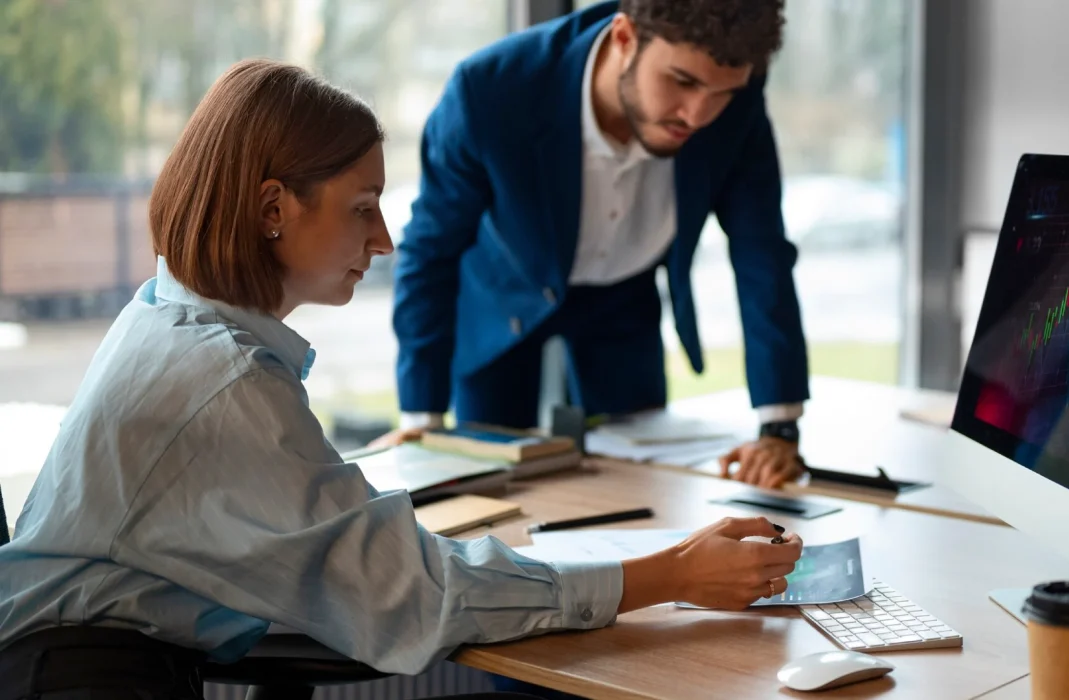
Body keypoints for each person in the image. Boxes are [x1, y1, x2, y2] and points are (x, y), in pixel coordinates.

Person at [0, 59, 803, 700]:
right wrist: (672, 574)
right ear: (274, 207)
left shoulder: (168, 317)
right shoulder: (222, 379)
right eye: (362, 207)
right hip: (85, 679)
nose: (384, 240)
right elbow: (419, 594)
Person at [380, 0, 811, 489]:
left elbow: (763, 254)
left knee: (638, 490)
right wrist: (421, 417)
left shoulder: (737, 99)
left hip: (624, 300)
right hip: (503, 296)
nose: (698, 115)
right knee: (482, 484)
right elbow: (429, 253)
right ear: (624, 37)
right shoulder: (491, 90)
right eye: (683, 82)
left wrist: (779, 424)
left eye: (722, 92)